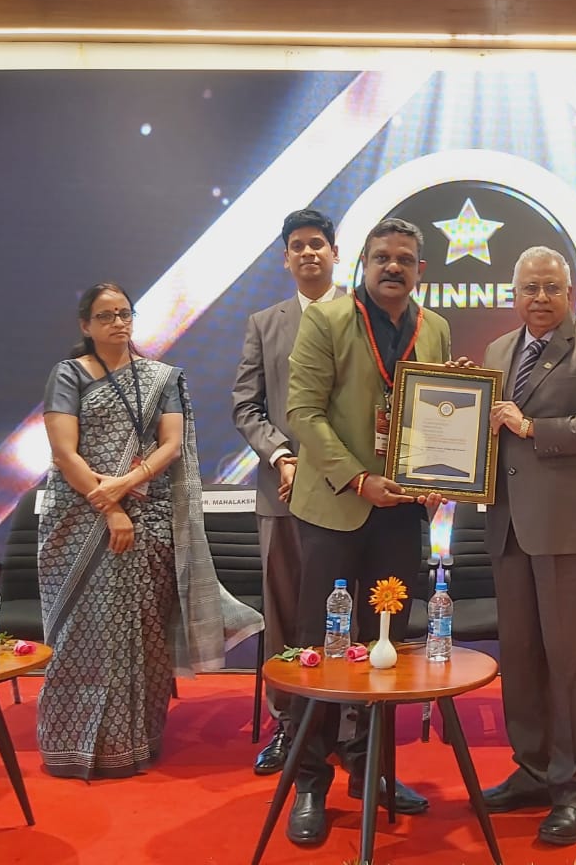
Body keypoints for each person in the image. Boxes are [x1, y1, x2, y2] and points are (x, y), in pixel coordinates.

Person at [38, 283, 261, 779]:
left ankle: (137, 741)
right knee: (82, 635)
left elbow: (171, 444)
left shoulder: (161, 377)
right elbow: (64, 452)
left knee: (145, 635)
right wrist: (109, 507)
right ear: (86, 325)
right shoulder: (68, 374)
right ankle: (73, 746)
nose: (118, 322)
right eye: (105, 315)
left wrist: (127, 484)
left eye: (124, 313)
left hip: (151, 519)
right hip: (80, 520)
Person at [283, 218, 450, 846]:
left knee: (388, 645)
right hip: (336, 506)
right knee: (320, 644)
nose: (393, 267)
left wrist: (439, 471)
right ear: (364, 263)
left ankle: (370, 769)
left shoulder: (435, 328)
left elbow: (438, 414)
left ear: (420, 270)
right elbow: (303, 412)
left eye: (405, 258)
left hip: (401, 514)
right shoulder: (327, 320)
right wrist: (357, 479)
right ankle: (310, 781)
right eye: (382, 257)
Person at [478, 246, 576, 846]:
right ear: (513, 294)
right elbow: (488, 434)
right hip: (509, 527)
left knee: (575, 663)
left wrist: (532, 427)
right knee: (521, 658)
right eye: (529, 288)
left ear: (570, 292)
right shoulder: (497, 351)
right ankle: (533, 770)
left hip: (574, 531)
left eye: (551, 288)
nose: (540, 298)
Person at [232, 208, 342, 775]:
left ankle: (349, 726)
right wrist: (282, 455)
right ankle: (289, 724)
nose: (308, 253)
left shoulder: (362, 317)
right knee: (286, 612)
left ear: (335, 253)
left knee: (345, 611)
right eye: (297, 245)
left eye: (317, 243)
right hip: (284, 492)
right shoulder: (263, 323)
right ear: (285, 258)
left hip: (350, 496)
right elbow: (246, 406)